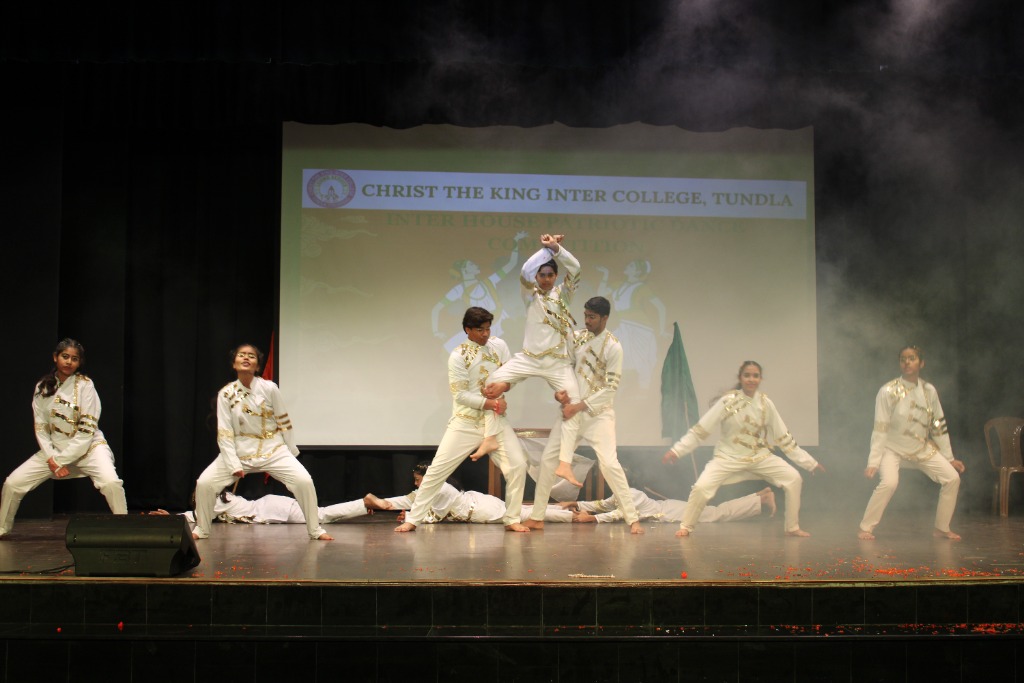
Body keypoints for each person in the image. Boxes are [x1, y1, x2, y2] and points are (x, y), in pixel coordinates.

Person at [395, 308, 529, 533]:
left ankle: (512, 518)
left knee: (518, 465)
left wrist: (504, 386)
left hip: (496, 420)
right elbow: (460, 395)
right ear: (468, 330)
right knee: (437, 471)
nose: (485, 334)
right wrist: (491, 403)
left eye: (488, 329)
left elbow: (512, 376)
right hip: (466, 422)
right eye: (480, 330)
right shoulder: (458, 356)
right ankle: (414, 519)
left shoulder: (499, 346)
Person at [522, 296, 644, 533]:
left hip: (599, 415)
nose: (587, 321)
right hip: (572, 413)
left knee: (610, 464)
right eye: (586, 315)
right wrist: (559, 393)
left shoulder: (613, 347)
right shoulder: (577, 338)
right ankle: (537, 516)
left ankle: (633, 519)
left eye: (592, 317)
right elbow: (563, 371)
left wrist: (578, 406)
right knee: (548, 460)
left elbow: (610, 389)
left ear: (605, 318)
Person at [663, 361, 825, 537]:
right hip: (727, 458)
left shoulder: (766, 404)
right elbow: (701, 430)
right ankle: (686, 526)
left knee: (793, 478)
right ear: (740, 378)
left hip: (759, 457)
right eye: (747, 375)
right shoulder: (727, 401)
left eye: (755, 376)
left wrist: (810, 463)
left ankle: (792, 527)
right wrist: (677, 450)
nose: (751, 379)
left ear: (760, 379)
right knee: (701, 487)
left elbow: (784, 438)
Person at [192, 344, 333, 541]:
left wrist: (290, 451)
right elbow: (224, 431)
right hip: (239, 451)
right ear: (234, 363)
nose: (246, 358)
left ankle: (315, 529)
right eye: (241, 355)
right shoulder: (226, 394)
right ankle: (202, 529)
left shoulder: (269, 388)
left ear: (257, 365)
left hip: (272, 448)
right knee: (205, 483)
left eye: (251, 356)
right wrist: (233, 463)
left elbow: (283, 420)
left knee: (304, 481)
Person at [0, 339, 128, 537]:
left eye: (74, 359)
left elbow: (86, 430)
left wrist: (60, 461)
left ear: (79, 363)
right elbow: (41, 427)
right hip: (55, 451)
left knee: (111, 483)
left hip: (90, 449)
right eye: (65, 357)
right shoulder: (43, 387)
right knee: (13, 483)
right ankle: (2, 527)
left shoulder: (85, 385)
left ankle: (125, 529)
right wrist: (52, 458)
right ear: (56, 357)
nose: (69, 362)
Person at [483, 234, 583, 485]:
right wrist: (546, 250)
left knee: (574, 404)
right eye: (542, 275)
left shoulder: (564, 295)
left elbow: (576, 268)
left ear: (556, 277)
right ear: (537, 278)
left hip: (557, 362)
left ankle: (565, 463)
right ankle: (491, 436)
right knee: (491, 383)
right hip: (528, 358)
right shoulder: (530, 295)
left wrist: (557, 249)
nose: (546, 279)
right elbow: (526, 270)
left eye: (550, 275)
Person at [857, 345, 965, 541]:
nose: (907, 362)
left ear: (921, 363)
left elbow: (938, 424)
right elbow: (880, 428)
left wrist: (949, 457)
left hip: (921, 449)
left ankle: (941, 527)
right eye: (903, 359)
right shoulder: (888, 391)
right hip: (892, 448)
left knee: (952, 478)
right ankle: (866, 527)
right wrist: (874, 461)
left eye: (912, 358)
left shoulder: (929, 390)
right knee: (889, 483)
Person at [522, 486, 775, 525]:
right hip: (669, 509)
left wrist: (593, 519)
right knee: (716, 511)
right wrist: (575, 503)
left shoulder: (632, 495)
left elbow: (620, 513)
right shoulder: (621, 492)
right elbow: (603, 504)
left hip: (673, 512)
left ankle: (760, 499)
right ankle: (759, 496)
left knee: (717, 514)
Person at [151, 487, 384, 525]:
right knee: (321, 515)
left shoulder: (216, 501)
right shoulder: (221, 499)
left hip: (273, 509)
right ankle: (362, 505)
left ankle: (363, 502)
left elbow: (197, 516)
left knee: (321, 516)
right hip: (272, 506)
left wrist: (172, 518)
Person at [368, 462, 509, 524]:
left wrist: (410, 517)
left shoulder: (442, 489)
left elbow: (435, 517)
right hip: (478, 506)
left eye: (417, 480)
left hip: (484, 509)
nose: (415, 484)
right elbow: (407, 500)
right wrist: (378, 503)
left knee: (518, 515)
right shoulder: (434, 488)